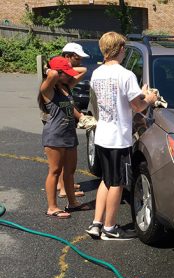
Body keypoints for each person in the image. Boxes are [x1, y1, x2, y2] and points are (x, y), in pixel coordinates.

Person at [85, 32, 157, 240]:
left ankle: (97, 223)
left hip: (103, 135)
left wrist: (139, 94)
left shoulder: (97, 73)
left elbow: (111, 100)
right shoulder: (126, 75)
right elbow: (137, 106)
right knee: (117, 182)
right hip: (118, 138)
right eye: (124, 48)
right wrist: (149, 98)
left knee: (106, 180)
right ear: (121, 49)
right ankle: (110, 228)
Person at [38, 56, 91, 219]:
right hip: (55, 135)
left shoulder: (66, 86)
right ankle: (52, 207)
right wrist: (49, 70)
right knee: (55, 171)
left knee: (70, 172)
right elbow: (53, 74)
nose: (69, 75)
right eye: (65, 73)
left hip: (69, 134)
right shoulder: (47, 89)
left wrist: (66, 69)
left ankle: (72, 202)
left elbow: (83, 70)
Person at [56, 42, 91, 199]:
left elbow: (83, 70)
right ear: (67, 56)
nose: (80, 62)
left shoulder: (66, 80)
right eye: (77, 58)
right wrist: (82, 117)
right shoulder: (57, 81)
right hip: (59, 122)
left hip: (64, 121)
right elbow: (67, 104)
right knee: (64, 157)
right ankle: (64, 188)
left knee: (64, 157)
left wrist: (67, 69)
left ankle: (64, 183)